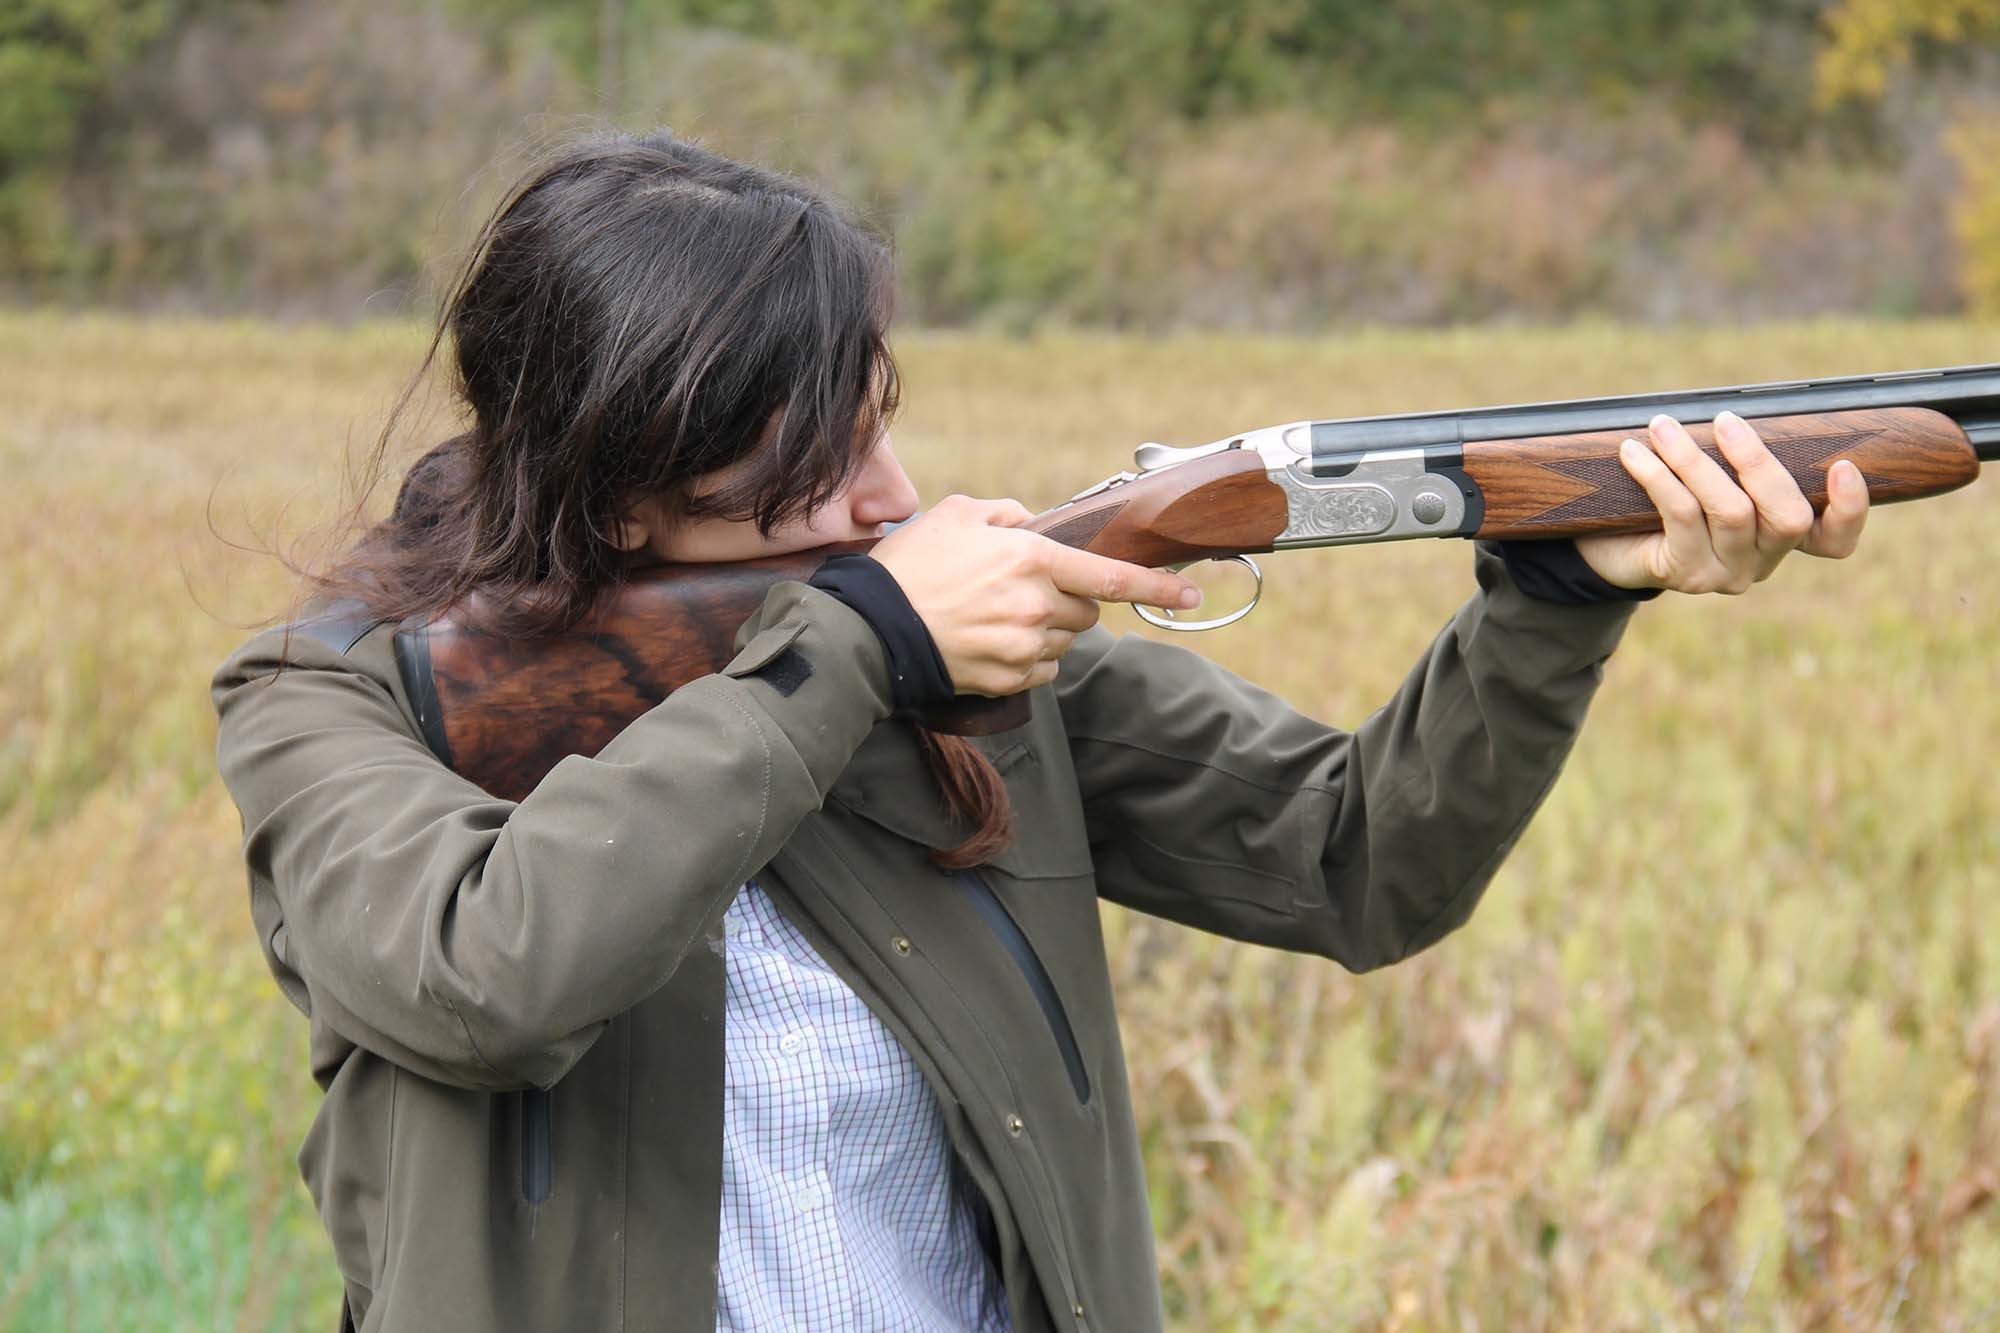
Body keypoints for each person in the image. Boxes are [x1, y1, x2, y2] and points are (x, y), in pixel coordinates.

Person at [209, 129, 1869, 1333]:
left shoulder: (968, 655)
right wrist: (844, 650)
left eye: (879, 425)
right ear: (616, 495)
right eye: (807, 474)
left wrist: (1554, 597)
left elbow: (1361, 864)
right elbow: (491, 974)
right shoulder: (340, 700)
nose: (891, 504)